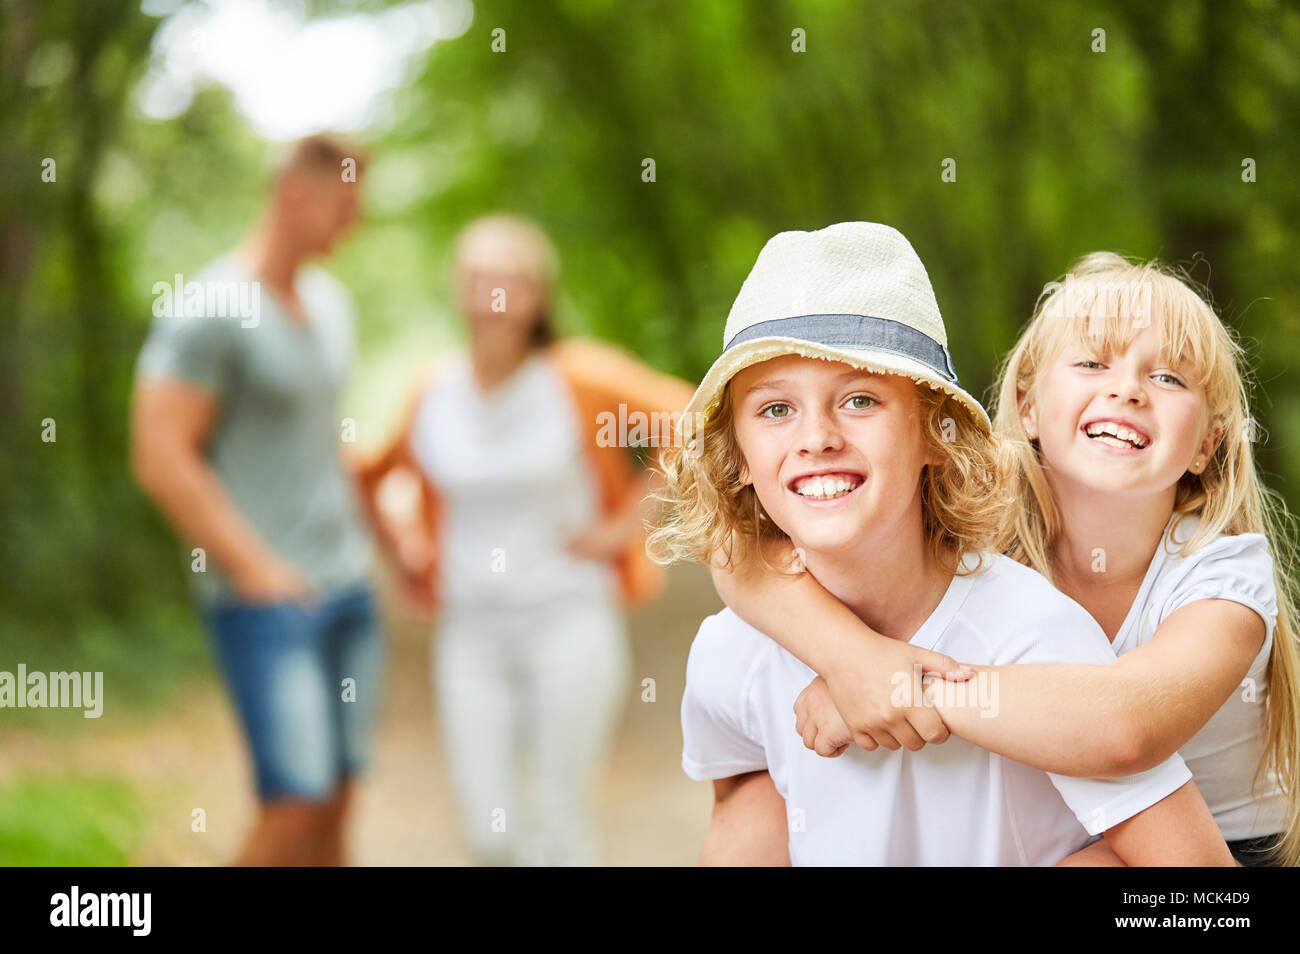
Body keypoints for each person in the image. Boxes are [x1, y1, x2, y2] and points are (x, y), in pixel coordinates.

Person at [648, 221, 1236, 865]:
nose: (815, 437)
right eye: (776, 410)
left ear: (936, 434)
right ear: (737, 456)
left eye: (861, 399)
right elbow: (742, 805)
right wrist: (851, 662)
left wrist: (908, 688)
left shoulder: (1033, 638)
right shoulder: (731, 654)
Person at [358, 213, 695, 865]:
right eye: (478, 277)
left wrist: (627, 525)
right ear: (458, 290)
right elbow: (373, 471)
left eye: (509, 279)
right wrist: (403, 548)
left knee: (557, 826)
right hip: (471, 631)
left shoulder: (579, 377)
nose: (492, 294)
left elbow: (690, 420)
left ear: (538, 297)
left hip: (567, 618)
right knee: (489, 834)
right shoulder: (435, 389)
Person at [130, 134, 383, 866]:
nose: (355, 220)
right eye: (345, 202)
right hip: (267, 603)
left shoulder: (330, 305)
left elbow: (324, 442)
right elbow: (160, 455)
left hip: (349, 587)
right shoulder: (211, 308)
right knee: (294, 804)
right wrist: (258, 571)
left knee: (337, 797)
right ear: (295, 195)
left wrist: (395, 544)